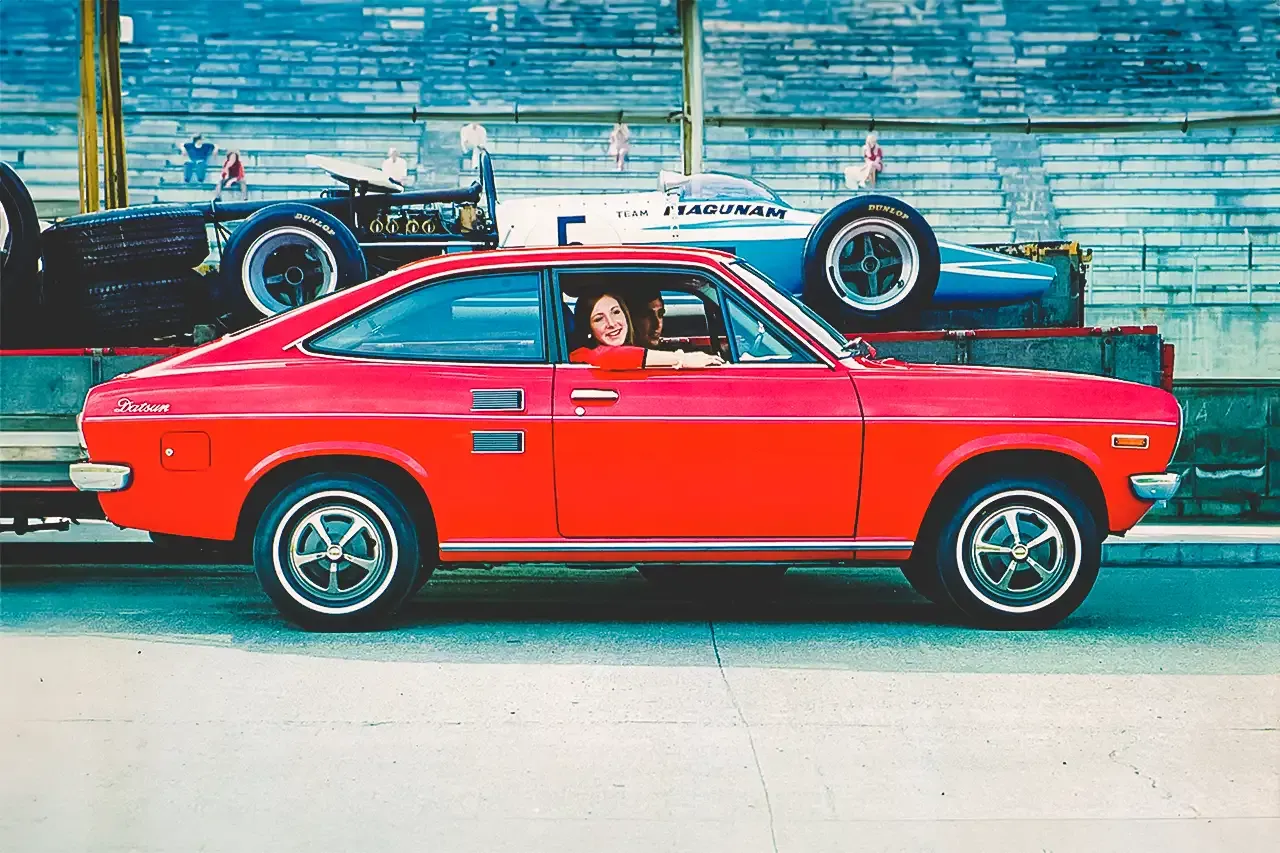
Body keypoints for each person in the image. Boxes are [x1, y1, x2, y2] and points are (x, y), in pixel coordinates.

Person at [570, 290, 723, 370]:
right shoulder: (581, 355)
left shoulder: (632, 347)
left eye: (616, 312)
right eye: (599, 319)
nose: (611, 323)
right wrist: (683, 359)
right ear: (588, 328)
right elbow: (612, 356)